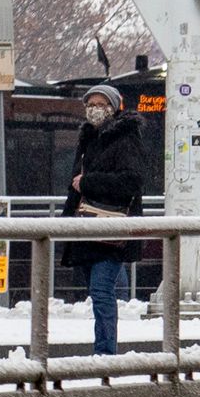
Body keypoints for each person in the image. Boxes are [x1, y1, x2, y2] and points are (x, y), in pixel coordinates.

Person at [64, 82, 146, 356]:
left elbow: (132, 180)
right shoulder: (88, 138)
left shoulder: (126, 137)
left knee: (101, 291)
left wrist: (89, 182)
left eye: (101, 104)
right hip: (88, 228)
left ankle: (105, 353)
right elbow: (75, 184)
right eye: (90, 105)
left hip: (113, 229)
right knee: (97, 292)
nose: (95, 110)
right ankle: (103, 351)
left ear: (113, 107)